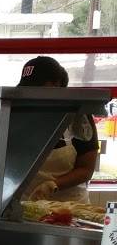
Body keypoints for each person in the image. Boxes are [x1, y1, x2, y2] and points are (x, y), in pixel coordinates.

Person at [20, 55, 99, 203]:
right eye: (27, 88)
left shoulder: (78, 117)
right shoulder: (17, 115)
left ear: (57, 85)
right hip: (26, 204)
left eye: (39, 88)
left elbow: (86, 168)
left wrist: (52, 185)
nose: (32, 94)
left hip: (69, 207)